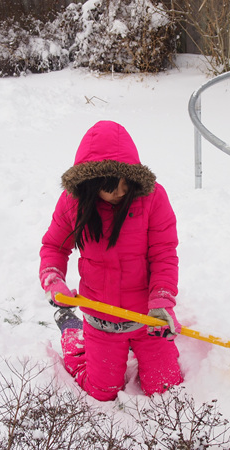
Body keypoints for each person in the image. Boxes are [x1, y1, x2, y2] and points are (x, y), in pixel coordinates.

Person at [39, 120, 183, 401]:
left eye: (125, 183)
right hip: (101, 320)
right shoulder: (73, 203)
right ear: (91, 184)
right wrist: (53, 280)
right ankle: (72, 329)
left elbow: (164, 254)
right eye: (110, 186)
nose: (120, 192)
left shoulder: (152, 198)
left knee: (165, 389)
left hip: (145, 320)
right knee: (101, 392)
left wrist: (162, 303)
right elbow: (54, 246)